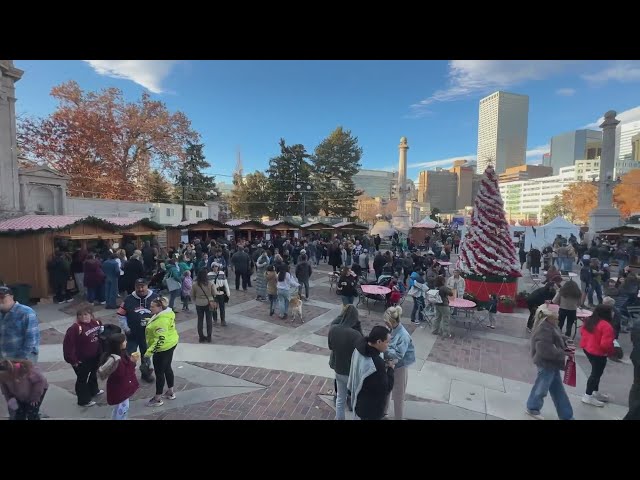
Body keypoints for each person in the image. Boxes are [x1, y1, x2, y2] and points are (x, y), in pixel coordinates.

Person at [525, 305, 574, 420]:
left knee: (557, 390)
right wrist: (563, 353)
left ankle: (566, 415)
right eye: (556, 314)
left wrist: (566, 339)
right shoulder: (544, 328)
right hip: (546, 363)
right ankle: (532, 407)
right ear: (549, 316)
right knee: (542, 388)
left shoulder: (551, 325)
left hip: (552, 363)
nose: (558, 315)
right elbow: (544, 350)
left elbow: (557, 336)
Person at [347, 325, 395, 420]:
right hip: (371, 409)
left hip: (359, 399)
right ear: (378, 342)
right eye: (387, 342)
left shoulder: (359, 348)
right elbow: (386, 388)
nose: (388, 345)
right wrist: (390, 369)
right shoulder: (376, 364)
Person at [116, 278, 157, 383]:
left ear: (147, 286)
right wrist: (126, 328)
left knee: (146, 355)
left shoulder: (155, 298)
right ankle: (128, 375)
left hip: (147, 334)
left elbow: (161, 314)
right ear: (135, 287)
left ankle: (146, 373)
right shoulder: (128, 299)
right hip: (132, 334)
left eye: (143, 286)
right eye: (138, 287)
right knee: (130, 355)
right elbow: (121, 315)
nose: (141, 289)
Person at [63, 307, 104, 407]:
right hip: (81, 359)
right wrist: (73, 360)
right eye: (80, 315)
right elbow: (68, 346)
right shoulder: (75, 328)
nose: (83, 317)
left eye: (85, 314)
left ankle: (94, 390)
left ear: (91, 315)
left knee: (94, 373)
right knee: (82, 379)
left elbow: (101, 337)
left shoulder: (97, 323)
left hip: (95, 356)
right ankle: (83, 400)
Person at [328, 304, 363, 420]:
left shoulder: (333, 329)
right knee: (357, 401)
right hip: (351, 373)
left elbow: (330, 346)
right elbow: (362, 351)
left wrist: (342, 315)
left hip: (338, 370)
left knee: (340, 398)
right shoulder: (356, 335)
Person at [145, 298, 179, 407]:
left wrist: (149, 352)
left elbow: (160, 339)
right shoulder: (166, 314)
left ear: (160, 308)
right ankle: (170, 392)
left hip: (162, 349)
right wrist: (149, 322)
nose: (150, 308)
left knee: (159, 373)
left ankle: (158, 398)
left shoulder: (161, 321)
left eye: (152, 306)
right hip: (171, 344)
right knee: (167, 368)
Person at [98, 332, 140, 420]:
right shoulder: (117, 360)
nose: (126, 342)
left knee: (119, 408)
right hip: (120, 388)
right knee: (122, 408)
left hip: (121, 387)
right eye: (124, 341)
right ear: (119, 345)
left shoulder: (121, 353)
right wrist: (132, 362)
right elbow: (123, 374)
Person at [580, 304, 615, 407]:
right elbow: (606, 344)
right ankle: (588, 395)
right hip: (599, 353)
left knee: (596, 372)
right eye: (611, 311)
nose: (613, 313)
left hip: (587, 349)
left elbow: (582, 332)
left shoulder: (589, 320)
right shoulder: (606, 326)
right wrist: (611, 352)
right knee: (596, 374)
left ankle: (594, 391)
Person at [383, 306, 415, 420]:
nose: (385, 323)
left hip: (400, 367)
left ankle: (398, 417)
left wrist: (384, 348)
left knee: (398, 396)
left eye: (386, 321)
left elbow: (399, 354)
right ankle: (384, 413)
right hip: (390, 365)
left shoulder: (403, 335)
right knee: (387, 390)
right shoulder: (391, 329)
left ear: (391, 321)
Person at [0, 286, 40, 363]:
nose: (0, 300)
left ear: (12, 296)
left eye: (2, 297)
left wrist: (18, 361)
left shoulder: (26, 312)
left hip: (24, 359)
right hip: (4, 360)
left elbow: (31, 341)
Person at [192, 269, 216, 342]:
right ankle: (209, 337)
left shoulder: (195, 284)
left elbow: (192, 295)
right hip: (208, 303)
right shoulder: (210, 283)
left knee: (200, 320)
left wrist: (196, 300)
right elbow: (214, 293)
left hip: (199, 303)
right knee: (209, 320)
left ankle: (201, 337)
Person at [623, 317, 640, 420]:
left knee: (636, 385)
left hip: (637, 355)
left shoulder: (638, 322)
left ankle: (633, 409)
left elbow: (633, 339)